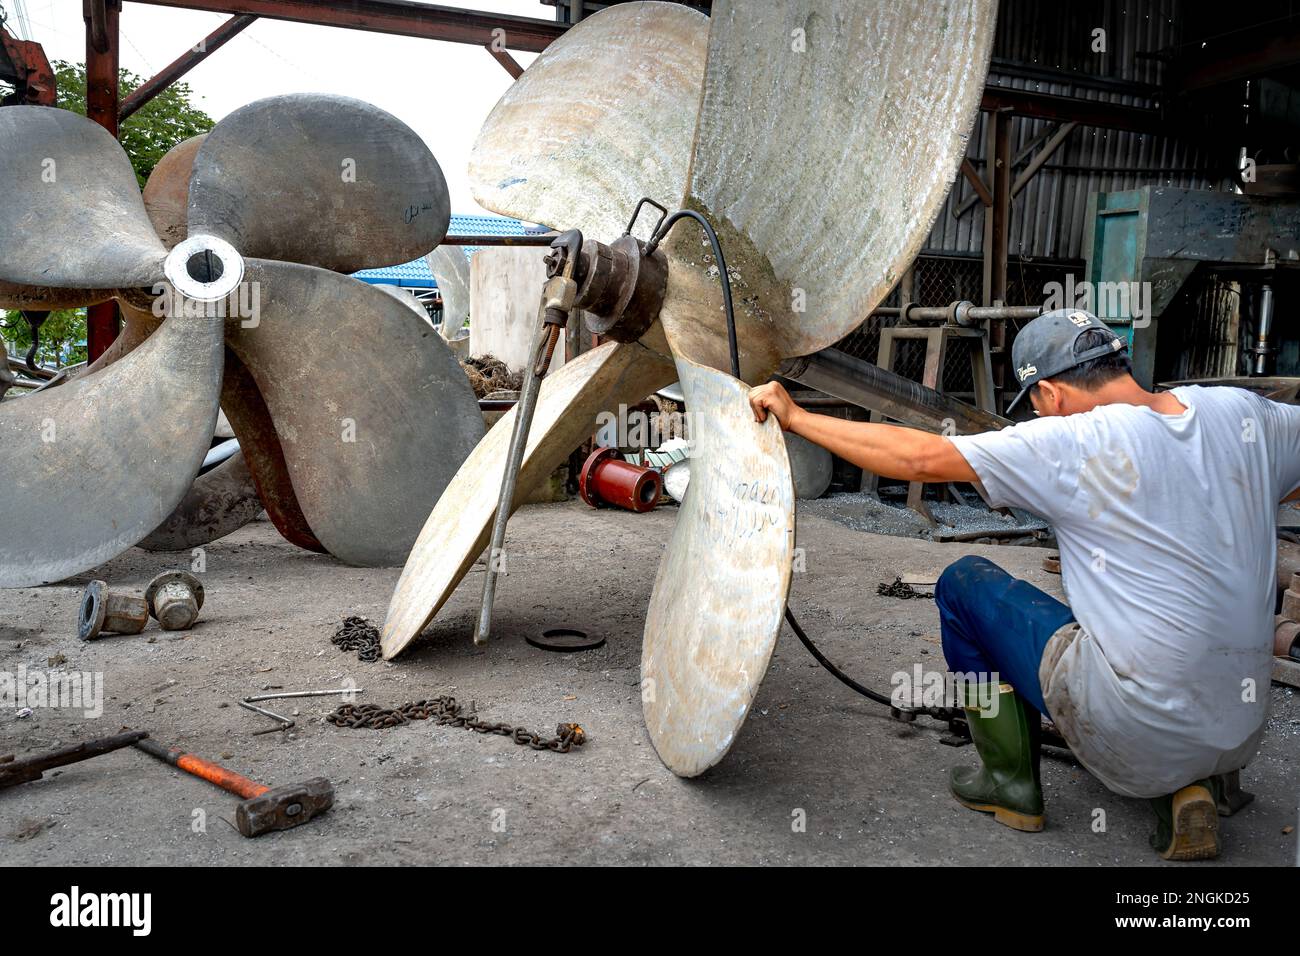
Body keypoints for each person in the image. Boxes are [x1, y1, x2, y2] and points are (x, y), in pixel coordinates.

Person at [748, 309, 1300, 860]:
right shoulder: (1239, 411)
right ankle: (1197, 785)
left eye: (1033, 403)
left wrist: (796, 417)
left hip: (1138, 731)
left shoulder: (1071, 440)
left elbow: (917, 456)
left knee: (966, 584)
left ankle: (1010, 785)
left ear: (1051, 395)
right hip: (1241, 730)